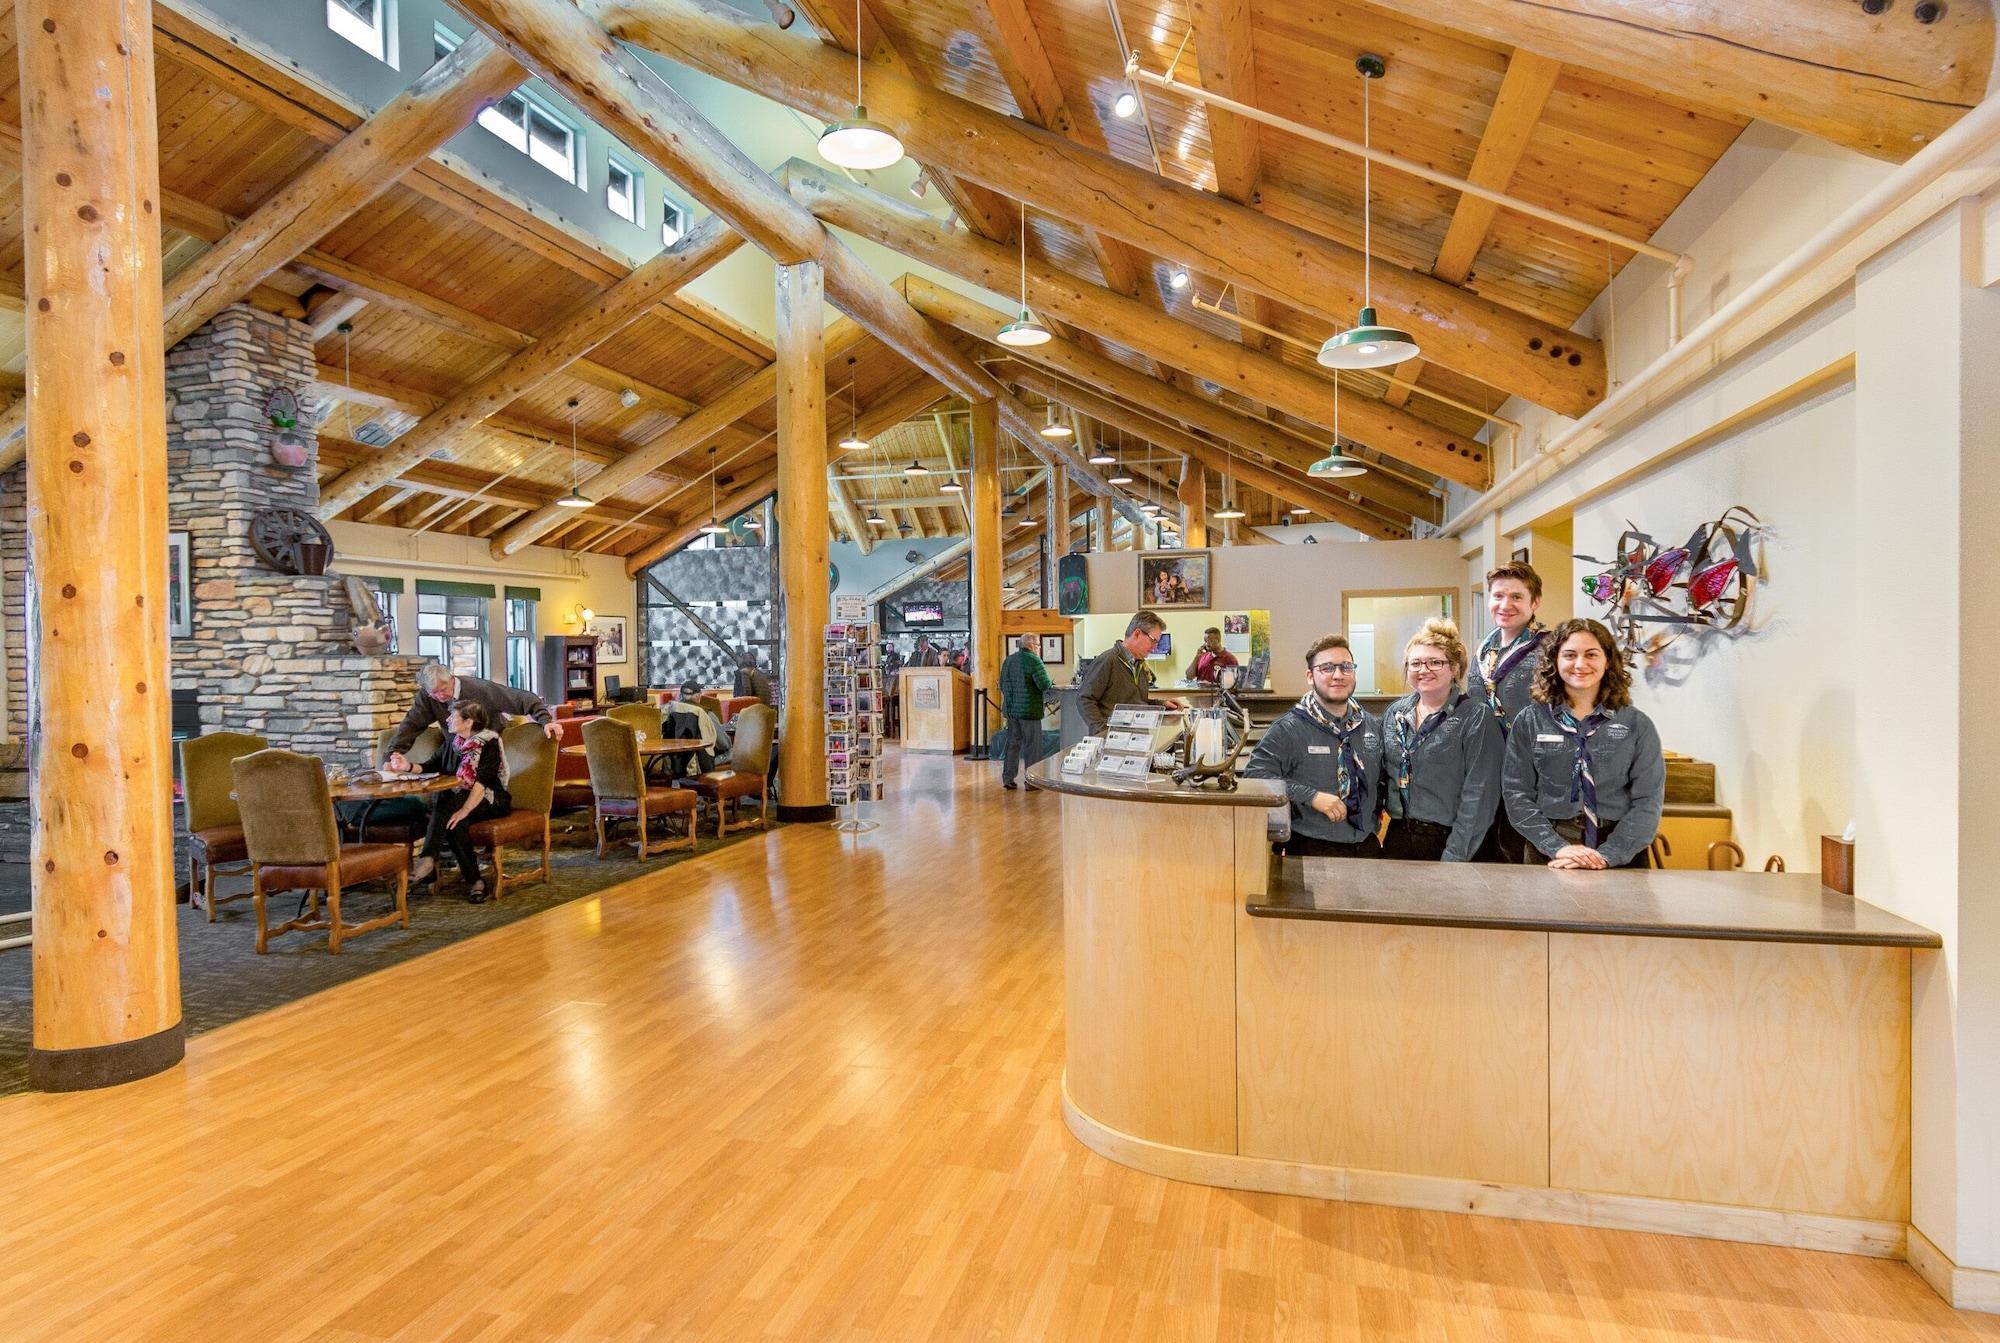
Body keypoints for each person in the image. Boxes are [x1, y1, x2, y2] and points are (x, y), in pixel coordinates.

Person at [1503, 618, 1666, 870]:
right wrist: (1558, 848)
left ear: (1607, 660)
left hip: (1620, 850)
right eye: (1569, 655)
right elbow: (1517, 795)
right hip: (1549, 850)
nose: (1580, 664)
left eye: (1591, 654)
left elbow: (1648, 802)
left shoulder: (1637, 725)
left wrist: (1607, 855)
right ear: (1555, 661)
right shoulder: (1530, 721)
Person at [1244, 634, 1382, 857]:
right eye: (1327, 668)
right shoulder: (1288, 729)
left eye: (1346, 667)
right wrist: (1311, 796)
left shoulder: (1371, 726)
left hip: (1367, 846)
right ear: (1310, 676)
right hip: (1311, 848)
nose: (1338, 675)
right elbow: (1255, 778)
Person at [1378, 619, 1501, 862]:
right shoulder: (1395, 713)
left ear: (1455, 668)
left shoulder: (1476, 717)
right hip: (1399, 838)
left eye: (1435, 662)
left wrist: (1455, 855)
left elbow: (1480, 795)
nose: (1424, 670)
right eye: (1415, 663)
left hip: (1454, 841)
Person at [1469, 562, 1546, 863]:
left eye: (1516, 597)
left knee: (1522, 858)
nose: (1506, 604)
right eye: (1498, 596)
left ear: (1535, 602)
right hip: (1487, 774)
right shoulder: (1482, 653)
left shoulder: (1550, 650)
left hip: (1530, 777)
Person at [408, 699, 511, 903]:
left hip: (491, 798)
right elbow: (431, 766)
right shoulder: (453, 743)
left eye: (453, 716)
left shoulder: (488, 742)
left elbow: (483, 782)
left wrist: (465, 809)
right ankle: (476, 881)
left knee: (446, 801)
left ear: (468, 722)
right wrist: (408, 766)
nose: (447, 719)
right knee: (454, 823)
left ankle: (428, 859)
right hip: (459, 800)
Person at [384, 662, 558, 772]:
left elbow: (523, 699)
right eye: (433, 694)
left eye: (443, 690)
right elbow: (411, 725)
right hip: (457, 753)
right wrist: (392, 755)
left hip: (488, 754)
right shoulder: (428, 697)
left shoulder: (480, 690)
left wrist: (546, 721)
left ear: (451, 679)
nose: (440, 697)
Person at [1077, 611, 1185, 736]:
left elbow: (1136, 702)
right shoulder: (1108, 660)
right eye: (1153, 641)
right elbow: (1084, 699)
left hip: (1137, 738)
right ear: (1137, 634)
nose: (1155, 647)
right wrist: (1101, 730)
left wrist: (1162, 704)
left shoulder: (1139, 664)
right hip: (1113, 739)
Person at [998, 633, 1054, 790]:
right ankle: (1032, 781)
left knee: (1012, 746)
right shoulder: (1034, 661)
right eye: (1038, 645)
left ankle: (1008, 778)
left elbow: (1002, 684)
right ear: (1032, 645)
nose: (1039, 648)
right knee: (1032, 747)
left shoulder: (1008, 660)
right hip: (1029, 711)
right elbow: (1044, 684)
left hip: (1011, 711)